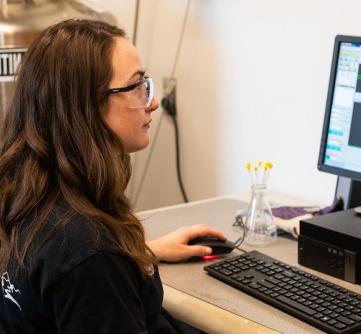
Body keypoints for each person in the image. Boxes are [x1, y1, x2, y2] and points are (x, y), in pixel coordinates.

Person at [0, 19, 226, 333]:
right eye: (136, 87)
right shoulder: (90, 256)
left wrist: (142, 253)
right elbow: (85, 265)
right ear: (85, 107)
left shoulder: (25, 192)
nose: (153, 102)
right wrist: (111, 261)